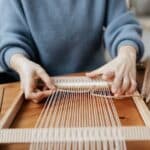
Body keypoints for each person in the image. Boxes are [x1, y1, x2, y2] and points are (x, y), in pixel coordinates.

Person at [0, 0, 144, 103]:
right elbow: (11, 40)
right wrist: (21, 62)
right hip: (40, 90)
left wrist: (127, 53)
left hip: (97, 87)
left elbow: (121, 24)